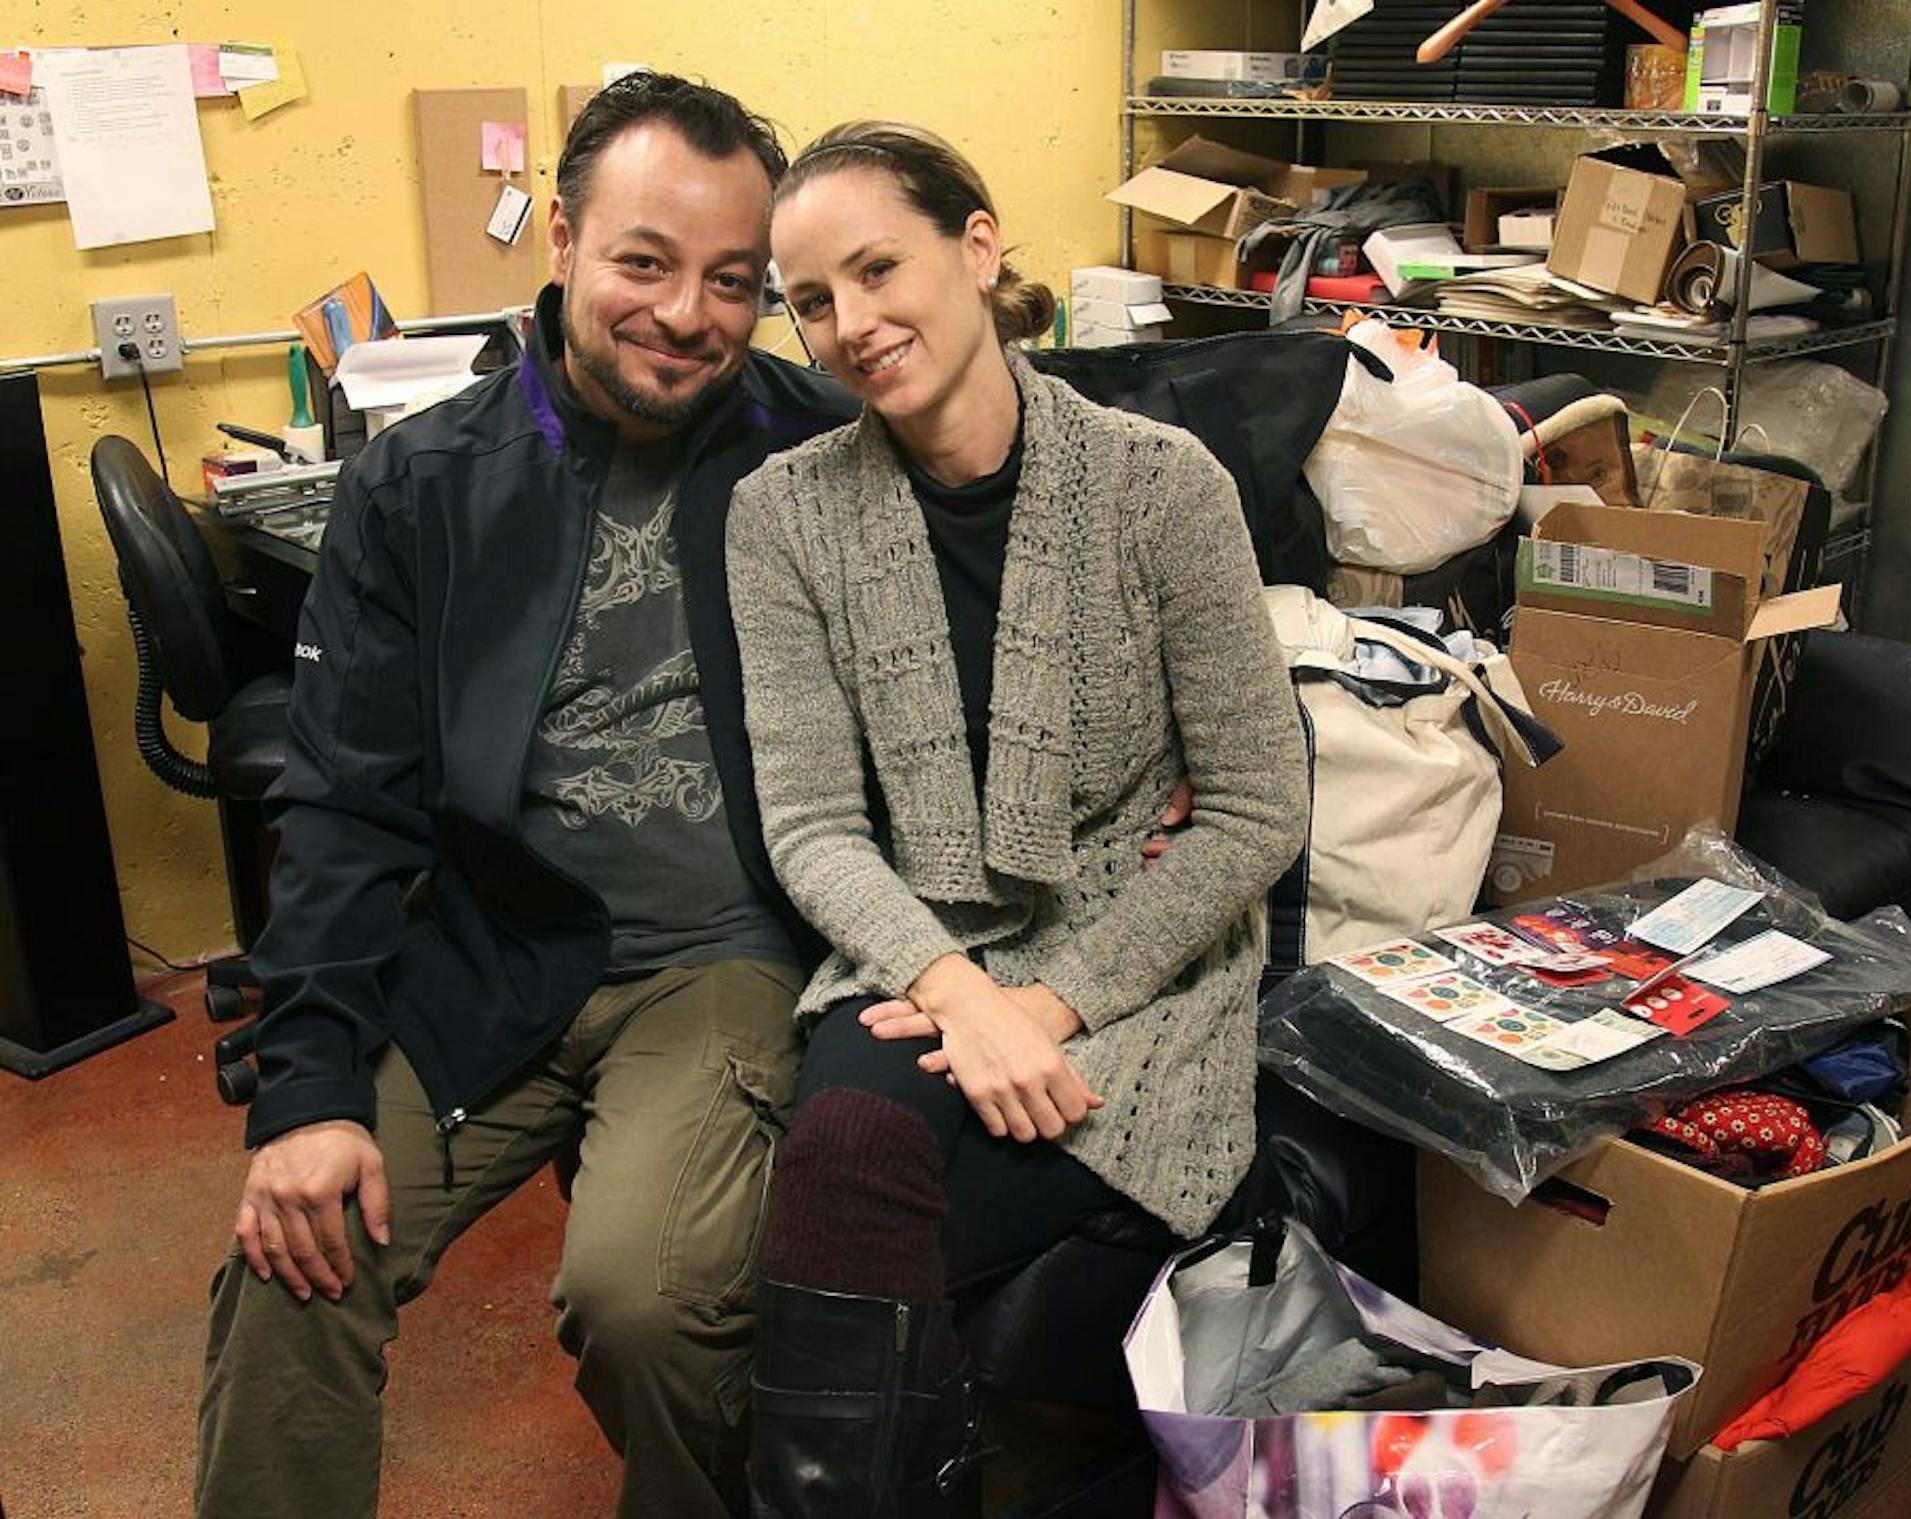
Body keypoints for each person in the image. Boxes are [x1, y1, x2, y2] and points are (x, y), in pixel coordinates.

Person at [193, 75, 859, 1519]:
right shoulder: (423, 485)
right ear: (561, 238)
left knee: (651, 1299)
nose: (686, 314)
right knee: (295, 1255)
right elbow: (346, 804)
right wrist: (307, 1090)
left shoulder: (827, 450)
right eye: (644, 261)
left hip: (719, 962)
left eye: (732, 281)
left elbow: (1029, 534)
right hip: (490, 947)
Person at [726, 121, 1310, 1517]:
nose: (852, 323)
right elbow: (812, 826)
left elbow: (1255, 804)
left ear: (978, 249)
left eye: (879, 268)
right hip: (919, 952)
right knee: (847, 1162)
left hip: (1138, 963)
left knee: (850, 1255)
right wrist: (959, 993)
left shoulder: (1161, 486)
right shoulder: (783, 515)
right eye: (812, 300)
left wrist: (1045, 1007)